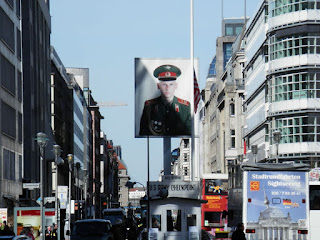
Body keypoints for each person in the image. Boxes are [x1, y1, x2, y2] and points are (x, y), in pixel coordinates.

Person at [139, 64, 191, 136]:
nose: (167, 88)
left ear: (176, 86)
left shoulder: (185, 107)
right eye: (164, 84)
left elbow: (189, 132)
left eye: (171, 84)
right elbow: (143, 131)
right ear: (158, 86)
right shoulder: (149, 106)